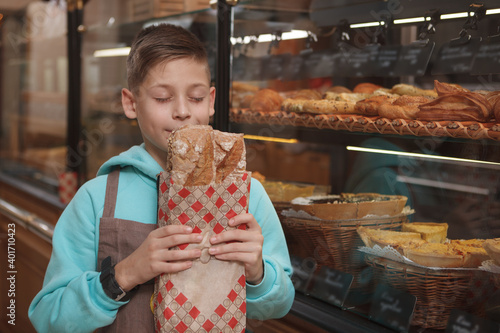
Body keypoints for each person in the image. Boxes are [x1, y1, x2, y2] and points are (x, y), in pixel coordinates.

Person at [29, 23, 295, 332]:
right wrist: (124, 274)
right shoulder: (95, 198)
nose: (182, 111)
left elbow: (281, 304)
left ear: (211, 101)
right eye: (161, 98)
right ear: (131, 103)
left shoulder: (247, 195)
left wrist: (258, 273)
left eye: (195, 98)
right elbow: (48, 318)